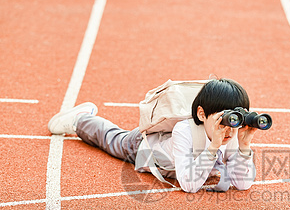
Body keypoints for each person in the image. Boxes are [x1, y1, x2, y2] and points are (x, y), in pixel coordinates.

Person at [48, 78, 257, 193]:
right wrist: (213, 149)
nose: (229, 129)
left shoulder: (232, 134)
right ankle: (80, 119)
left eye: (235, 121)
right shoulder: (185, 131)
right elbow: (189, 186)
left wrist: (244, 147)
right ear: (201, 114)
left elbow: (243, 184)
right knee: (111, 139)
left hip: (179, 163)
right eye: (223, 120)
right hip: (143, 147)